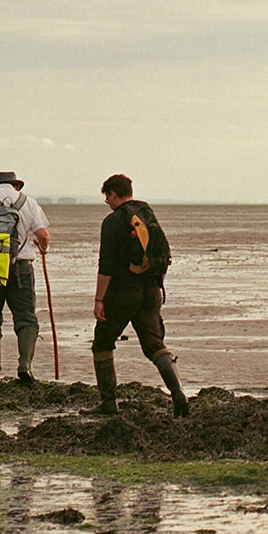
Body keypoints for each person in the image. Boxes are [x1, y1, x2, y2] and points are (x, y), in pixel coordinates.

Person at [91, 174, 187, 418]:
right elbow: (164, 256)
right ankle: (179, 393)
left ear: (113, 194)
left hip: (123, 292)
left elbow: (106, 265)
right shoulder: (147, 214)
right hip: (151, 290)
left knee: (102, 342)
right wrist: (156, 286)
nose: (107, 202)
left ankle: (109, 402)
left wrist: (99, 300)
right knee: (155, 345)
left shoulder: (112, 222)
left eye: (107, 197)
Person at [0, 170, 51, 388]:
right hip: (21, 269)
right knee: (26, 318)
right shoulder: (29, 203)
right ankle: (25, 365)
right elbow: (43, 235)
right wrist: (42, 248)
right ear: (16, 186)